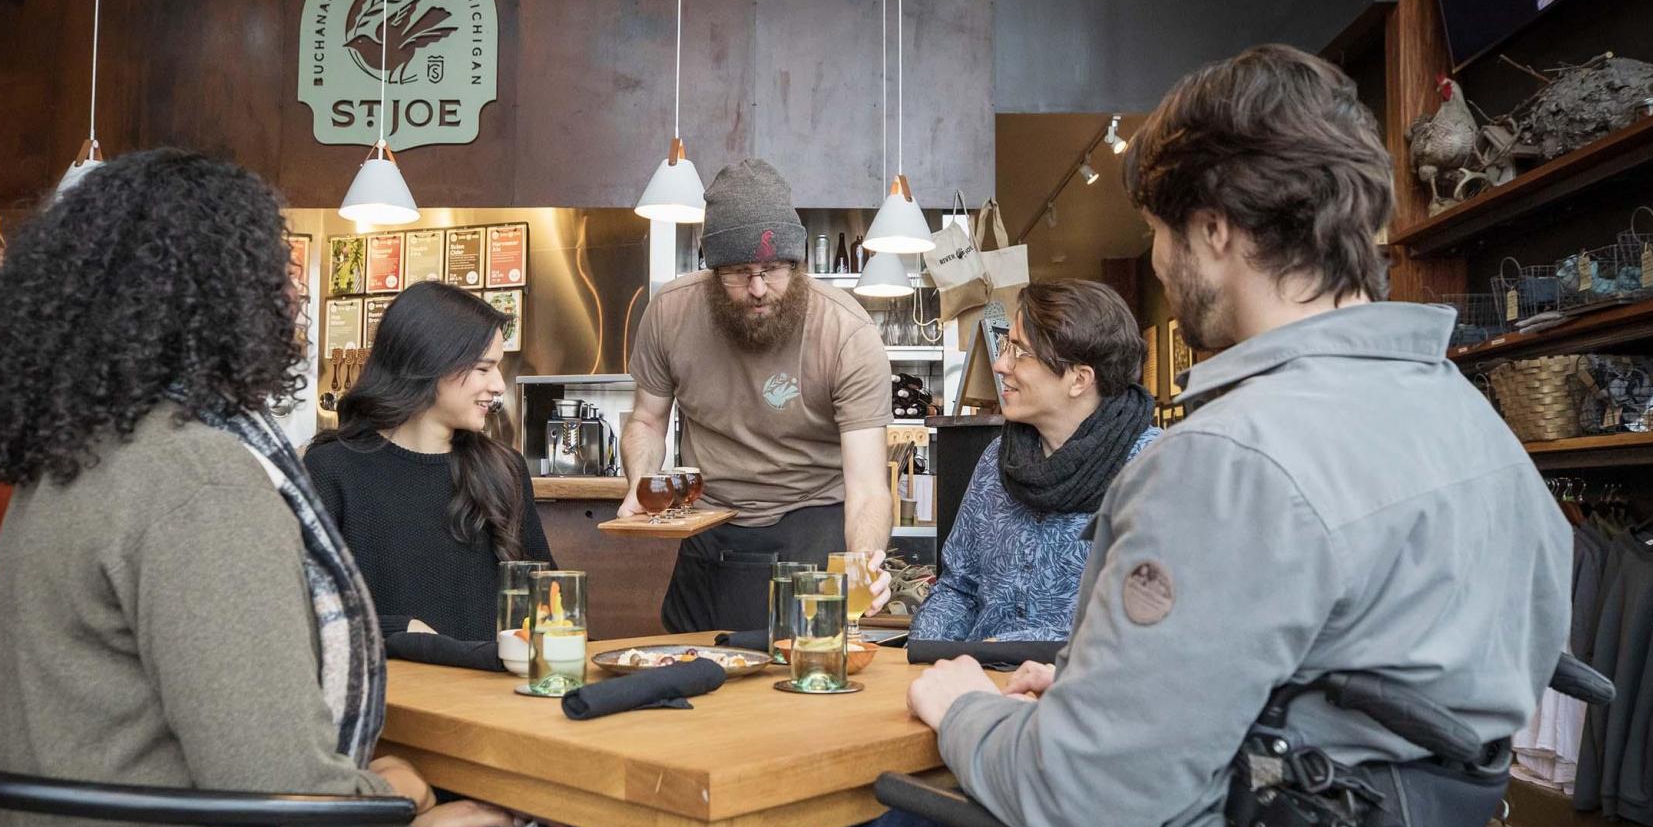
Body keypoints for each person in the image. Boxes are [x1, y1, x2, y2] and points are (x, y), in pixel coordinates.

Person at [768, 44, 1570, 827]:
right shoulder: (1483, 435)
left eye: (1159, 231)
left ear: (1216, 229)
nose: (1155, 258)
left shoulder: (1228, 461)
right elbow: (1328, 688)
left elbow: (1085, 799)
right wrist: (1094, 681)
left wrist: (962, 709)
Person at [0, 149, 642, 827]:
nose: (292, 304)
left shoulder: (63, 469)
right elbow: (295, 826)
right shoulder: (199, 479)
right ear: (226, 295)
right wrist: (399, 797)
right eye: (274, 276)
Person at [620, 158, 894, 632]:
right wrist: (640, 486)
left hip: (810, 519)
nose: (759, 288)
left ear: (797, 262)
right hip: (706, 524)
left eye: (774, 267)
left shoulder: (846, 332)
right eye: (739, 272)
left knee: (802, 679)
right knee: (691, 675)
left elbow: (868, 486)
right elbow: (647, 420)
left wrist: (862, 562)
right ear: (712, 269)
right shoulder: (669, 313)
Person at [909, 279, 1158, 644]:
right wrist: (923, 652)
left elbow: (1151, 618)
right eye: (1006, 346)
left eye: (1020, 352)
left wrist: (1014, 647)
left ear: (1079, 379)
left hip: (1086, 694)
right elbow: (958, 588)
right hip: (983, 685)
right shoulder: (996, 460)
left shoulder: (1153, 469)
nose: (999, 364)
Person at [306, 283, 552, 649]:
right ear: (428, 363)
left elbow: (549, 601)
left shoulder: (505, 469)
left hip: (492, 700)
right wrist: (399, 630)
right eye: (484, 368)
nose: (499, 384)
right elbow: (305, 611)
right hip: (389, 697)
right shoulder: (331, 470)